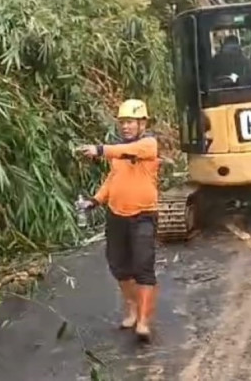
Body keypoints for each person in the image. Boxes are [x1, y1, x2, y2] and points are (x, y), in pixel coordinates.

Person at [77, 99, 160, 343]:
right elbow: (113, 180)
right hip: (117, 215)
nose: (125, 127)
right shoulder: (118, 153)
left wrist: (100, 150)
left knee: (143, 267)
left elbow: (130, 151)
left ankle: (144, 321)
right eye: (122, 122)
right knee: (119, 266)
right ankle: (132, 310)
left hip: (143, 215)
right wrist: (94, 201)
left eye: (130, 122)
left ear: (142, 123)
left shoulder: (148, 144)